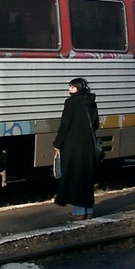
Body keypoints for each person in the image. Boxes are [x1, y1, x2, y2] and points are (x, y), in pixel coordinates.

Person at [53, 77, 99, 219]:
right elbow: (96, 124)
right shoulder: (92, 102)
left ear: (78, 88)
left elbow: (65, 125)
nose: (69, 89)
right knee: (87, 177)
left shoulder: (71, 102)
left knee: (75, 177)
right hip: (88, 145)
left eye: (72, 87)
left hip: (73, 145)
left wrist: (57, 143)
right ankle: (88, 210)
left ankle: (79, 212)